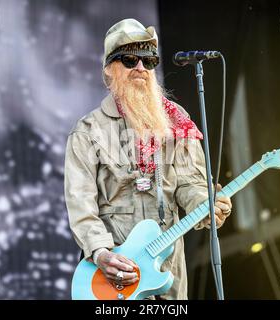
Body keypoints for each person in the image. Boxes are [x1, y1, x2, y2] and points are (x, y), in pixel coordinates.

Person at [64, 18, 232, 300]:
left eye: (148, 60)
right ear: (109, 69)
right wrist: (101, 252)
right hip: (115, 274)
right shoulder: (88, 131)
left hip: (168, 271)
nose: (140, 68)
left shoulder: (176, 121)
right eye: (130, 60)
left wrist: (204, 203)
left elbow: (190, 183)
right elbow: (80, 204)